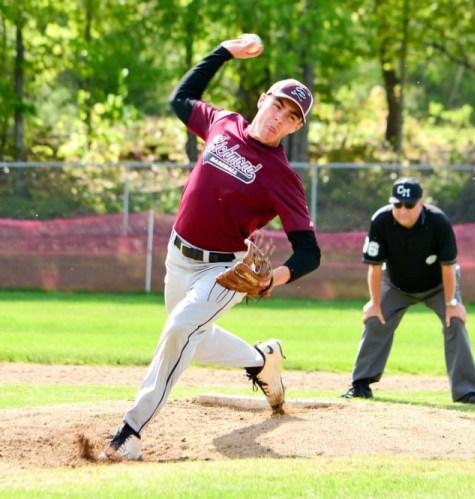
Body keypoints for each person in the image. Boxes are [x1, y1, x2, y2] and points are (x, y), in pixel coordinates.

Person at [107, 35, 321, 460]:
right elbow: (180, 98)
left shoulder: (283, 177)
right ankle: (262, 361)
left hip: (224, 271)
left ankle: (130, 430)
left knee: (180, 329)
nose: (280, 117)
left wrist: (269, 280)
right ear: (263, 99)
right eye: (278, 104)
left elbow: (309, 252)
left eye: (292, 116)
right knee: (194, 338)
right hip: (178, 254)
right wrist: (224, 51)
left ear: (296, 128)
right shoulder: (223, 123)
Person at [342, 176, 475, 405]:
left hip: (439, 285)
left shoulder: (438, 222)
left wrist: (451, 304)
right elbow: (375, 267)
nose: (403, 210)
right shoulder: (381, 220)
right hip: (397, 285)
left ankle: (467, 392)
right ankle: (360, 384)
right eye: (397, 204)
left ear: (421, 204)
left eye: (409, 205)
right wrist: (374, 303)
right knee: (375, 319)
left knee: (454, 321)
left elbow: (448, 266)